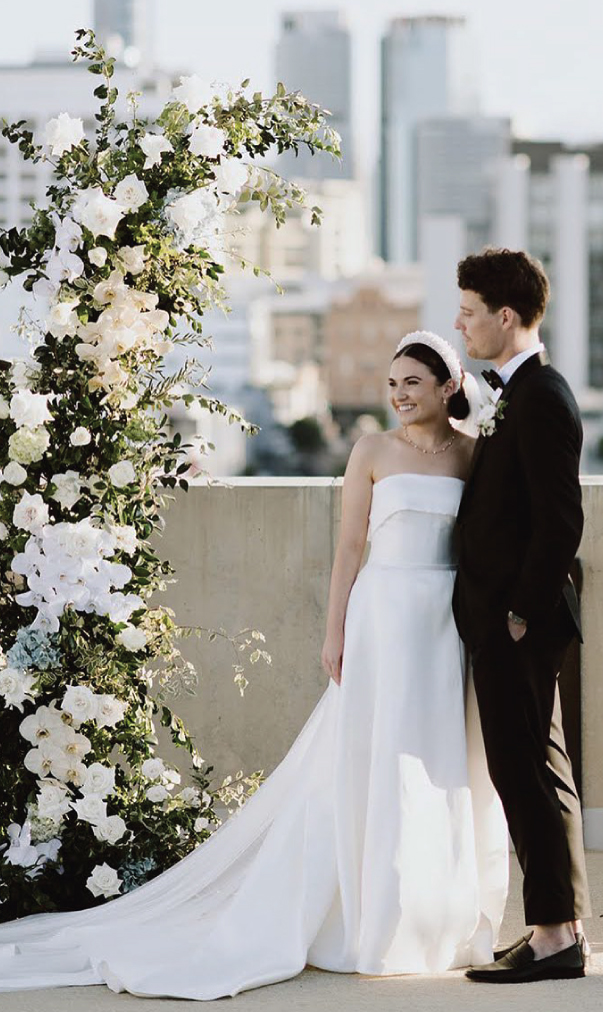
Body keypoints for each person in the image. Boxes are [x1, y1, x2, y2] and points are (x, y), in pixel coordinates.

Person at [0, 332, 509, 1000]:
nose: (399, 395)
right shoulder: (372, 450)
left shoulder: (473, 456)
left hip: (444, 625)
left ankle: (424, 916)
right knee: (374, 761)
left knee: (436, 764)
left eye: (412, 382)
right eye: (392, 384)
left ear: (449, 386)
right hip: (381, 618)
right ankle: (367, 920)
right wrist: (336, 632)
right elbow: (350, 547)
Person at [452, 248, 592, 984]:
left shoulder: (540, 397)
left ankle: (552, 939)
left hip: (520, 623)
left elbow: (562, 521)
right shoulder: (515, 391)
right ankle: (559, 929)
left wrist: (517, 613)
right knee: (538, 771)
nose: (459, 324)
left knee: (525, 771)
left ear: (505, 316)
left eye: (469, 312)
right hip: (510, 621)